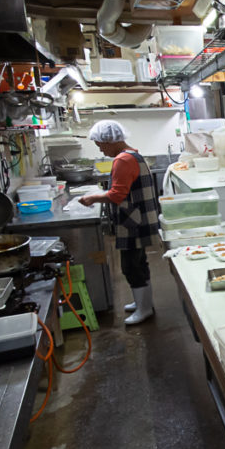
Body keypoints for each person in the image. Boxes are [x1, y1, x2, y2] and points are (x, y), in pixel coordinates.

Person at [79, 120, 160, 325]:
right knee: (139, 263)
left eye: (100, 144)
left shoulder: (123, 160)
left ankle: (144, 309)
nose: (100, 149)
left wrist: (93, 198)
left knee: (131, 266)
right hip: (140, 218)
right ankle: (144, 303)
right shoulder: (133, 154)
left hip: (133, 221)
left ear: (111, 140)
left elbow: (117, 195)